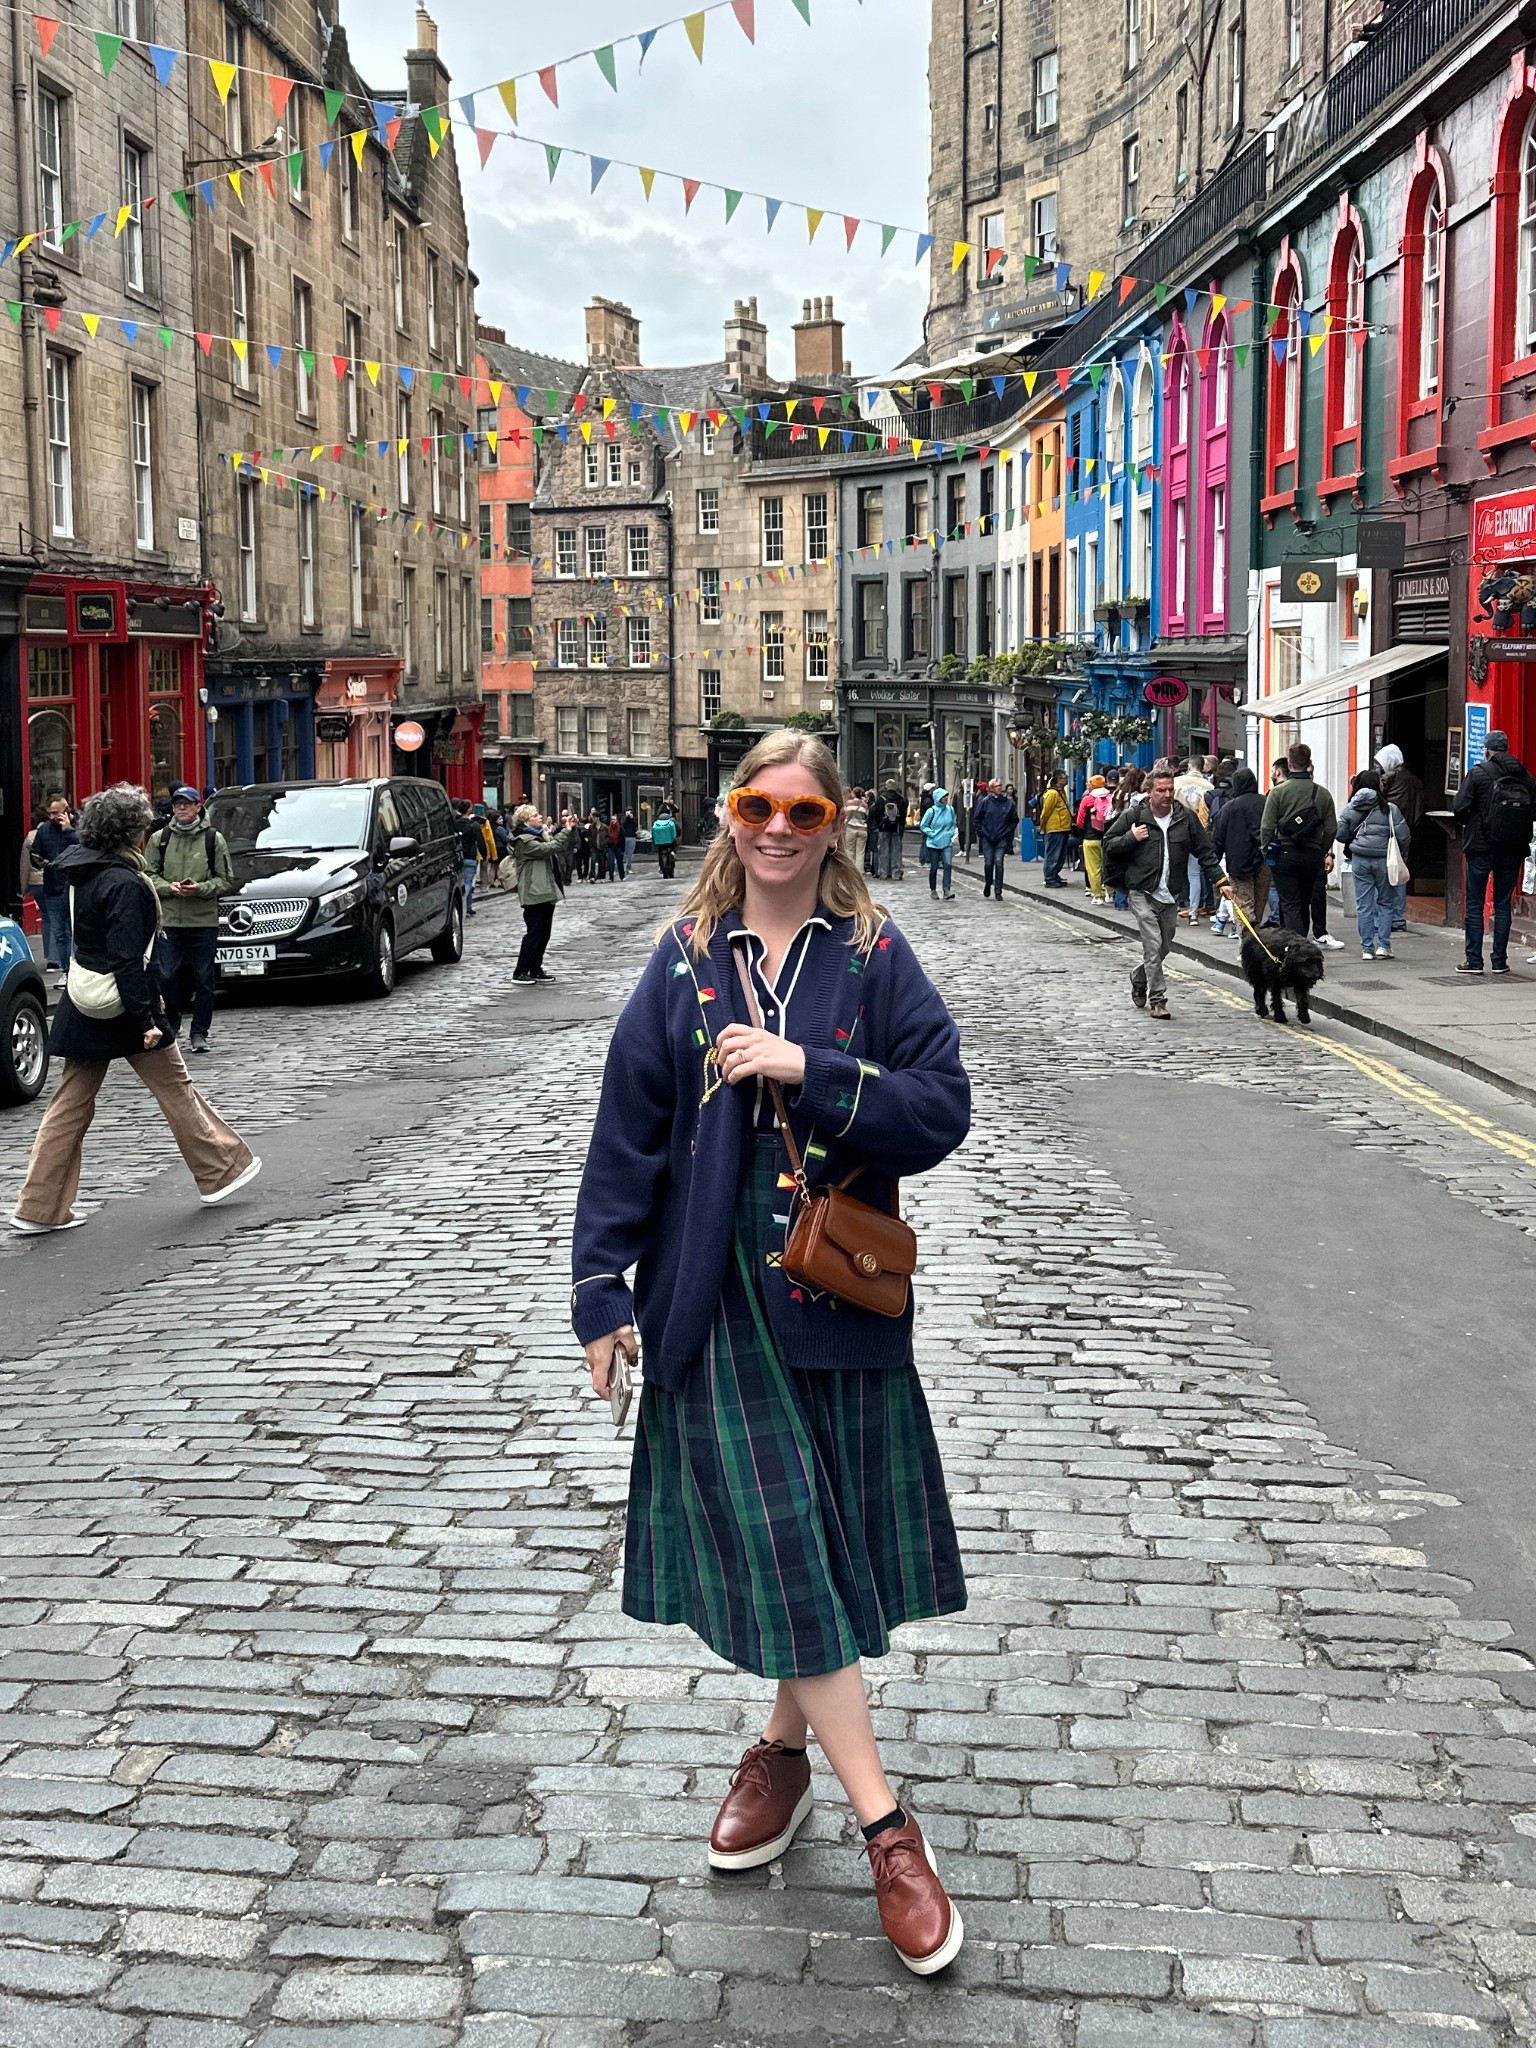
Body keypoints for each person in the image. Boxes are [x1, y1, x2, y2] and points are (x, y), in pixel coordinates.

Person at [572, 729, 970, 1975]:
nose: (779, 828)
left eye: (804, 809)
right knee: (794, 1539)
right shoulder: (683, 963)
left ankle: (781, 1752)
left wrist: (818, 1067)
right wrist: (601, 1292)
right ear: (728, 815)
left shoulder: (874, 958)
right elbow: (625, 1132)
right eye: (757, 804)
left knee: (821, 1540)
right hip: (713, 1297)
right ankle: (887, 1827)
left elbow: (944, 1104)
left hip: (836, 1290)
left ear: (837, 823)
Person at [10, 784, 261, 1235]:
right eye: (144, 827)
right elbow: (128, 958)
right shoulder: (124, 882)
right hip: (126, 1004)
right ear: (132, 834)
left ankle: (39, 1207)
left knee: (70, 1104)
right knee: (175, 1088)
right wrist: (147, 1019)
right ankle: (220, 1171)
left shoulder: (82, 872)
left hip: (86, 999)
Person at [1103, 762, 1230, 1021]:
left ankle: (1139, 976)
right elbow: (1109, 843)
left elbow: (1204, 852)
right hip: (1141, 890)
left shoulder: (1185, 818)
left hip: (1170, 893)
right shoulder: (1134, 817)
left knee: (1164, 945)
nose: (1167, 795)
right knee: (1152, 944)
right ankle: (1158, 1000)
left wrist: (1221, 881)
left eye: (1170, 789)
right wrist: (1131, 838)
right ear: (1150, 791)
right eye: (1161, 790)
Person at [144, 785, 236, 1056]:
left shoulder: (213, 839)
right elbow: (148, 875)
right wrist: (168, 887)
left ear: (198, 807)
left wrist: (201, 888)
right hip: (171, 920)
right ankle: (171, 1025)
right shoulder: (159, 839)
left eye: (187, 804)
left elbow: (226, 880)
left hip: (203, 921)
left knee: (203, 980)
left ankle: (199, 1033)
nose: (181, 808)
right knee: (167, 977)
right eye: (177, 804)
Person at [1452, 727, 1536, 974]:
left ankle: (1474, 962)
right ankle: (1500, 961)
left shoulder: (1478, 773)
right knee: (1503, 905)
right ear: (1506, 749)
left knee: (1476, 905)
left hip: (1480, 847)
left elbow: (1459, 806)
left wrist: (1475, 820)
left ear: (1487, 751)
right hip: (1512, 848)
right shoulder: (1525, 776)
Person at [1259, 742, 1339, 942]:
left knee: (1290, 903)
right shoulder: (1323, 794)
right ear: (1309, 763)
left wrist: (1267, 851)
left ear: (1289, 762)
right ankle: (1295, 944)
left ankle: (1296, 947)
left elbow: (1267, 827)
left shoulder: (1278, 792)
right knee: (1304, 902)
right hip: (1311, 854)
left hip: (1284, 853)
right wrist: (1321, 851)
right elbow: (1331, 829)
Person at [1338, 767, 1412, 962]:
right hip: (1383, 860)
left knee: (1364, 905)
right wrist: (1402, 855)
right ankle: (1384, 946)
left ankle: (1366, 949)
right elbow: (1404, 836)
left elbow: (1340, 833)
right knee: (1386, 902)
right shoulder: (1390, 809)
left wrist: (1354, 841)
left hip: (1360, 859)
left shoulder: (1351, 808)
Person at [508, 805, 579, 985]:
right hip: (533, 892)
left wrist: (570, 830)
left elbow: (560, 845)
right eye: (535, 815)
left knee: (544, 933)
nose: (540, 817)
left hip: (546, 890)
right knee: (534, 933)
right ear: (526, 821)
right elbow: (548, 849)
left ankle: (535, 968)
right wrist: (565, 831)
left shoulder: (541, 834)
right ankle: (520, 971)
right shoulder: (523, 840)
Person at [1211, 767, 1268, 939]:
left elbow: (1218, 839)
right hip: (1264, 861)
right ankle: (1257, 941)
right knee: (1259, 905)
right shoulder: (1265, 802)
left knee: (1243, 906)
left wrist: (1214, 867)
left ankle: (1248, 946)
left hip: (1238, 863)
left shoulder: (1230, 807)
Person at [1375, 742, 1425, 933]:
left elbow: (1378, 798)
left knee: (1386, 874)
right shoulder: (1414, 780)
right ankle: (1399, 917)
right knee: (1400, 872)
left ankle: (1388, 918)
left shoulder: (1389, 777)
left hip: (1390, 831)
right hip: (1407, 831)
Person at [29, 794, 78, 988]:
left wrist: (68, 831)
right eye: (49, 813)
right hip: (53, 888)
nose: (52, 817)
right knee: (60, 933)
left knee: (77, 933)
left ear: (67, 810)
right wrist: (37, 860)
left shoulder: (78, 827)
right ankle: (67, 971)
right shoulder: (44, 830)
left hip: (74, 887)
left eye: (56, 813)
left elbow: (84, 847)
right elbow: (35, 851)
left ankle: (77, 971)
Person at [1173, 757, 1215, 922]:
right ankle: (1193, 913)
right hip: (1198, 832)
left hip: (1177, 830)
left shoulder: (1176, 783)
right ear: (1202, 767)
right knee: (1194, 874)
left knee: (1174, 871)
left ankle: (1173, 907)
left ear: (1189, 766)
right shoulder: (1209, 787)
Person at [973, 779, 1020, 900]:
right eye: (996, 786)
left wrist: (1008, 832)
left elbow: (1014, 820)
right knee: (989, 863)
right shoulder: (985, 802)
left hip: (1001, 838)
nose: (999, 788)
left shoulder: (1008, 803)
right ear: (991, 788)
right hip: (987, 838)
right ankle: (988, 883)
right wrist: (981, 833)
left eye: (1000, 786)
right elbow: (977, 819)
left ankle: (998, 890)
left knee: (999, 862)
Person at [1075, 775, 1114, 903]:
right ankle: (1110, 894)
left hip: (1090, 838)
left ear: (1091, 785)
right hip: (1107, 838)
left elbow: (1080, 820)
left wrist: (1082, 831)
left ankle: (1097, 896)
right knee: (1107, 866)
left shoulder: (1087, 800)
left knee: (1093, 869)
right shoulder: (1110, 797)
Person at [919, 786, 958, 900]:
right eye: (943, 797)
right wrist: (932, 833)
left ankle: (946, 889)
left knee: (948, 864)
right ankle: (933, 889)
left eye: (946, 796)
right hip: (934, 843)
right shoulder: (931, 811)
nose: (946, 799)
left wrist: (950, 833)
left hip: (946, 842)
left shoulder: (950, 809)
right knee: (934, 867)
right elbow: (923, 825)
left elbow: (952, 823)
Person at [1039, 772, 1072, 887]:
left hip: (1062, 827)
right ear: (1058, 780)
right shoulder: (1052, 793)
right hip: (1054, 828)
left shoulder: (1060, 791)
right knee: (1053, 854)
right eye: (1064, 778)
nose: (1066, 779)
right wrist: (1043, 827)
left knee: (1060, 855)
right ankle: (1049, 878)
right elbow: (1046, 812)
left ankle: (1054, 875)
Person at [454, 800, 484, 916]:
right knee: (467, 884)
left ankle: (468, 907)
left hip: (457, 857)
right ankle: (463, 906)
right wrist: (484, 854)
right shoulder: (474, 825)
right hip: (470, 857)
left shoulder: (455, 824)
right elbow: (480, 842)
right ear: (469, 810)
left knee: (463, 882)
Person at [873, 783, 906, 880]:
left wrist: (880, 824)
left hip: (884, 828)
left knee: (884, 850)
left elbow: (877, 814)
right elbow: (903, 815)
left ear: (886, 787)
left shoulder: (881, 799)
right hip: (896, 828)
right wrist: (901, 827)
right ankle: (896, 872)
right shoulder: (900, 799)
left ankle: (883, 872)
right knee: (896, 850)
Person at [843, 788, 868, 875]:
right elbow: (866, 817)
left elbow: (844, 814)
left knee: (850, 851)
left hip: (851, 828)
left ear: (854, 794)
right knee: (860, 852)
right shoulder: (864, 805)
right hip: (862, 829)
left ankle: (851, 871)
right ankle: (860, 871)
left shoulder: (849, 803)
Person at [653, 804, 680, 879]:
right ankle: (673, 855)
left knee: (660, 853)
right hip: (670, 842)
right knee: (673, 848)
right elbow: (678, 830)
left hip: (660, 843)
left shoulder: (657, 821)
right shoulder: (672, 820)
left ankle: (661, 867)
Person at [606, 813, 625, 882]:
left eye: (614, 819)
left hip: (618, 846)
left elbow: (623, 839)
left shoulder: (620, 828)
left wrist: (623, 849)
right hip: (611, 847)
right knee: (611, 862)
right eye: (611, 819)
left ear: (617, 820)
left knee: (619, 862)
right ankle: (611, 877)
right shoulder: (608, 828)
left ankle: (622, 876)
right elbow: (607, 837)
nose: (612, 821)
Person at [621, 809, 639, 878]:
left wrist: (631, 818)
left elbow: (636, 825)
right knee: (624, 853)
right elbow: (623, 825)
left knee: (630, 854)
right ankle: (622, 868)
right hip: (624, 837)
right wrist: (626, 818)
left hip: (632, 837)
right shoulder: (623, 819)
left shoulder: (633, 819)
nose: (628, 813)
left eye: (630, 812)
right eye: (627, 812)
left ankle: (628, 868)